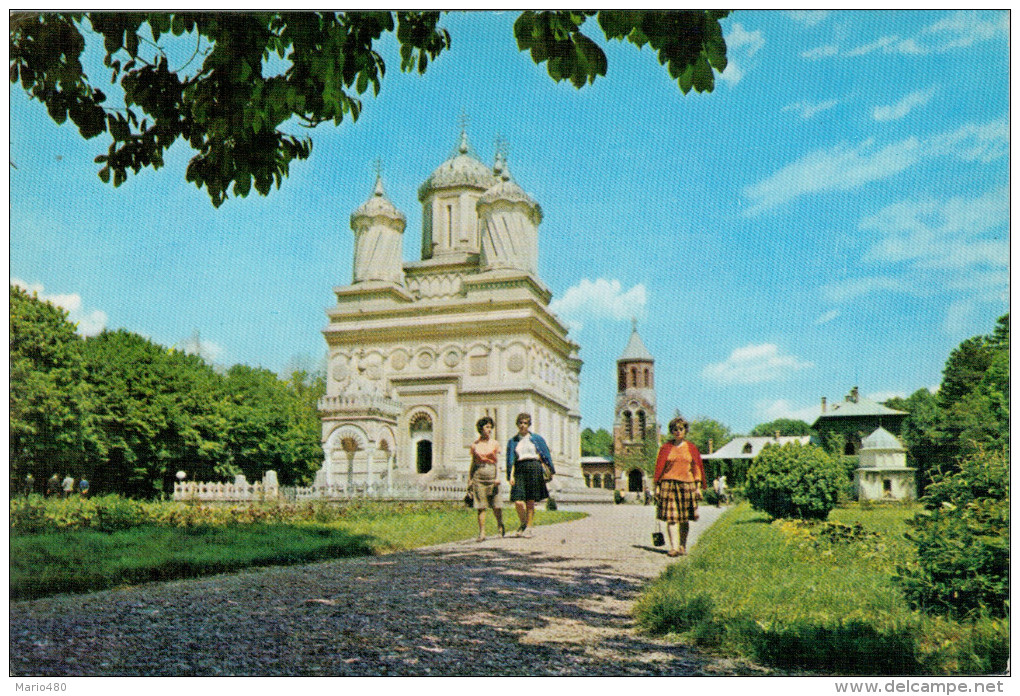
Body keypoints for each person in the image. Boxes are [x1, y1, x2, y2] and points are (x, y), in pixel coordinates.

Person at [653, 416, 707, 557]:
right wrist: (657, 487)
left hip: (687, 485)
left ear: (685, 430)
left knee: (684, 518)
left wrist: (698, 486)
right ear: (671, 431)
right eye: (675, 429)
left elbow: (696, 468)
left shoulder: (691, 448)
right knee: (671, 518)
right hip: (668, 484)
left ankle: (682, 546)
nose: (678, 431)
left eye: (681, 429)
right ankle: (674, 547)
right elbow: (659, 469)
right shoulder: (666, 448)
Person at [506, 412, 554, 538]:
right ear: (517, 424)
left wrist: (549, 469)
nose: (523, 425)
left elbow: (544, 454)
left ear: (529, 425)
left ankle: (529, 527)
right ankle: (523, 523)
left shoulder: (536, 439)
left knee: (530, 500)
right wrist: (510, 476)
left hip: (534, 467)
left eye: (525, 423)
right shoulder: (513, 441)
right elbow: (511, 460)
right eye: (521, 423)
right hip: (520, 469)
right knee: (518, 501)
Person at [467, 417, 506, 541]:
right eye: (487, 427)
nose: (489, 430)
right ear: (481, 428)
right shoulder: (475, 445)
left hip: (492, 473)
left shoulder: (494, 443)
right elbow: (473, 463)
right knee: (480, 506)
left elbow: (498, 462)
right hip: (479, 474)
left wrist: (498, 477)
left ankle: (500, 526)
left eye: (490, 427)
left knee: (496, 505)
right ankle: (482, 533)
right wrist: (470, 479)